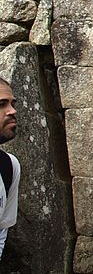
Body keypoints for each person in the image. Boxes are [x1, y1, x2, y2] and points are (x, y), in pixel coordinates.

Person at [0, 77, 19, 259]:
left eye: (13, 103)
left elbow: (1, 232)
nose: (12, 111)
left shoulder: (9, 166)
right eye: (1, 105)